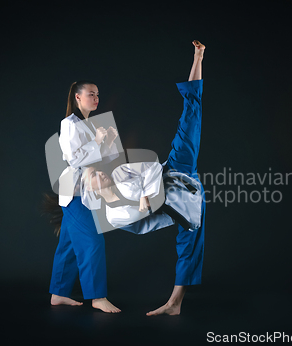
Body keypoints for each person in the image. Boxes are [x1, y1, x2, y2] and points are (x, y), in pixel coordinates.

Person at [79, 40, 207, 315]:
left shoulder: (119, 172)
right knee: (190, 243)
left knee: (191, 113)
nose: (99, 172)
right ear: (94, 192)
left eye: (95, 170)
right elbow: (141, 215)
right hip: (179, 205)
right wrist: (146, 202)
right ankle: (175, 305)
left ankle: (198, 58)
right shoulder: (113, 215)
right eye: (94, 177)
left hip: (177, 167)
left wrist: (146, 195)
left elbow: (149, 168)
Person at [47, 79, 122, 313]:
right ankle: (97, 297)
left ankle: (58, 294)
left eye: (98, 94)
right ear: (77, 97)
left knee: (68, 246)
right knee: (93, 242)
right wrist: (99, 141)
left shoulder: (91, 124)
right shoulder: (69, 123)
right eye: (91, 94)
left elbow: (103, 159)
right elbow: (74, 159)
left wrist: (107, 141)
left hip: (87, 191)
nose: (96, 98)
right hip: (75, 192)